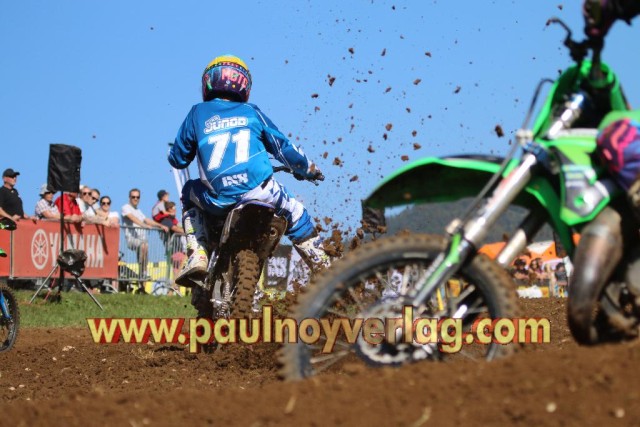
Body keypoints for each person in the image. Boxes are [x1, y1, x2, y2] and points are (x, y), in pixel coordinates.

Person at [168, 54, 329, 290]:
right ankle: (326, 269)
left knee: (188, 191)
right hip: (260, 190)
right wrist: (309, 170)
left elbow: (178, 159)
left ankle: (198, 253)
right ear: (244, 84)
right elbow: (283, 148)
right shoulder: (251, 112)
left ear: (208, 82)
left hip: (217, 199)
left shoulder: (197, 113)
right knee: (296, 212)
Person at [121, 188, 169, 279]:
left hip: (142, 239)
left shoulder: (138, 211)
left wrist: (160, 225)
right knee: (144, 246)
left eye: (137, 197)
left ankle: (142, 276)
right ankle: (143, 272)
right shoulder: (125, 207)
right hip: (132, 239)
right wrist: (144, 225)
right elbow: (132, 218)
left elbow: (146, 220)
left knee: (143, 252)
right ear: (129, 198)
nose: (135, 199)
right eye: (133, 197)